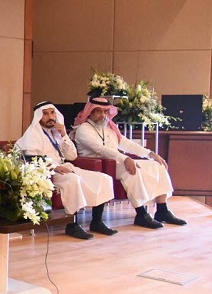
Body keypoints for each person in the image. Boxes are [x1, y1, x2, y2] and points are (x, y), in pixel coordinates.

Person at [72, 97, 187, 229]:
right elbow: (100, 149)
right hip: (99, 166)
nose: (103, 115)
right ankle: (141, 214)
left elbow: (127, 144)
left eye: (105, 112)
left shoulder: (108, 127)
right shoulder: (83, 129)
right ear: (89, 112)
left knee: (157, 165)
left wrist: (150, 154)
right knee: (133, 171)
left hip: (117, 162)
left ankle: (162, 210)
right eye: (98, 111)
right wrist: (125, 159)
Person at [15, 101, 117, 239]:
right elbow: (29, 158)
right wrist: (54, 167)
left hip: (66, 167)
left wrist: (64, 135)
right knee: (72, 180)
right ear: (38, 117)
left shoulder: (56, 133)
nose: (50, 117)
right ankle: (72, 225)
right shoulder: (32, 134)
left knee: (103, 178)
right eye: (45, 114)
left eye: (52, 113)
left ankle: (97, 222)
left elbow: (72, 156)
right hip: (48, 172)